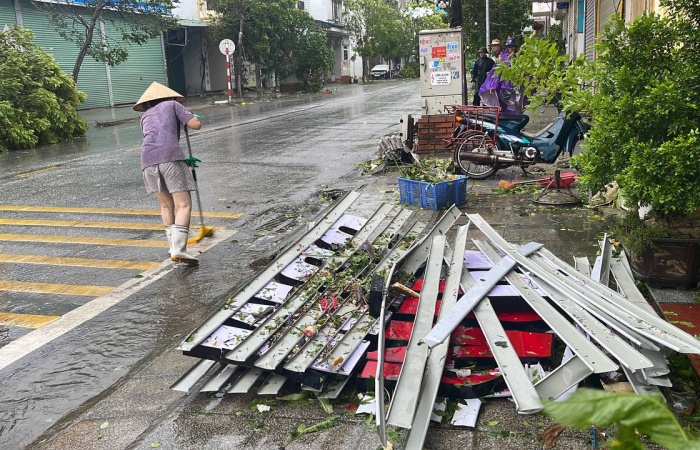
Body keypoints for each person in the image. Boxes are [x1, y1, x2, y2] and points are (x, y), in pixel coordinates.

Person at [133, 82, 202, 265]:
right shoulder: (173, 105)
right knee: (184, 204)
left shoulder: (145, 116)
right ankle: (179, 250)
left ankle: (172, 247)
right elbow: (195, 125)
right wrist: (192, 117)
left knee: (166, 206)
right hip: (170, 157)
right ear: (168, 95)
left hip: (147, 161)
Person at [478, 37, 524, 114]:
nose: (510, 48)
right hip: (504, 87)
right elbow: (497, 72)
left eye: (512, 46)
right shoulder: (504, 58)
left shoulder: (517, 57)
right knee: (505, 107)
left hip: (516, 86)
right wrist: (493, 86)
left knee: (516, 106)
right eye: (509, 46)